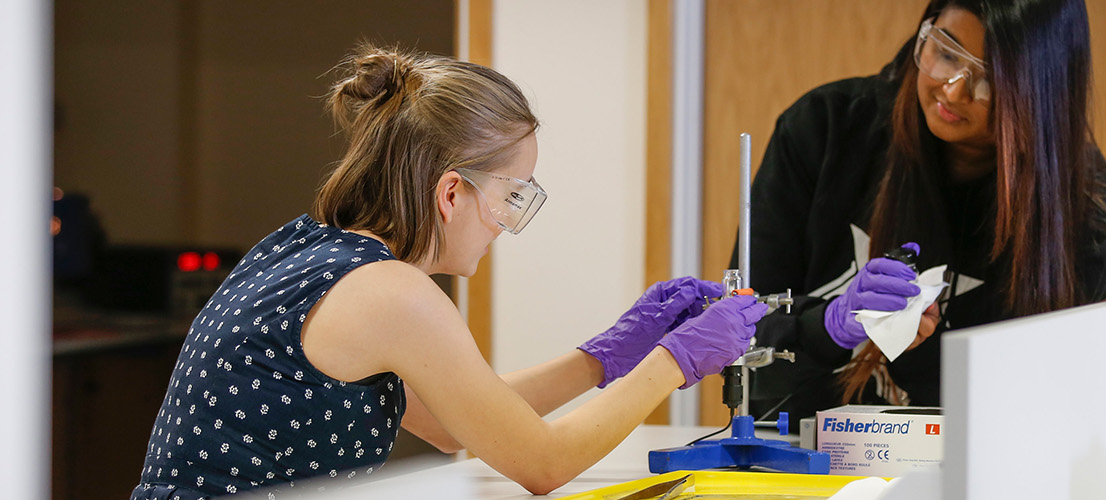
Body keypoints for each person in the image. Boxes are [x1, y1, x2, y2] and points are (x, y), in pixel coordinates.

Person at [131, 45, 764, 499]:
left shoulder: (305, 249)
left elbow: (447, 423)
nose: (504, 224)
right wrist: (675, 360)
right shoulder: (392, 293)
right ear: (451, 193)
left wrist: (604, 357)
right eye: (512, 196)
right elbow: (542, 465)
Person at [741, 0, 1106, 421]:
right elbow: (738, 330)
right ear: (925, 31)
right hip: (799, 459)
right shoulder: (825, 128)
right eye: (945, 53)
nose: (953, 90)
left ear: (1044, 92)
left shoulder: (1085, 212)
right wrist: (826, 326)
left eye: (991, 79)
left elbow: (1053, 405)